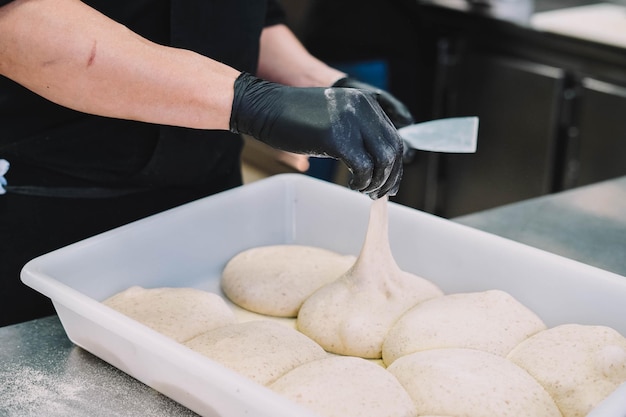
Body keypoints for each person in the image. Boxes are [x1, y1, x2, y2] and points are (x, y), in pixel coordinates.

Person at [0, 0, 414, 326]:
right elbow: (18, 22)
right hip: (45, 199)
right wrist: (249, 101)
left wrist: (320, 84)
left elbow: (243, 16)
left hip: (206, 185)